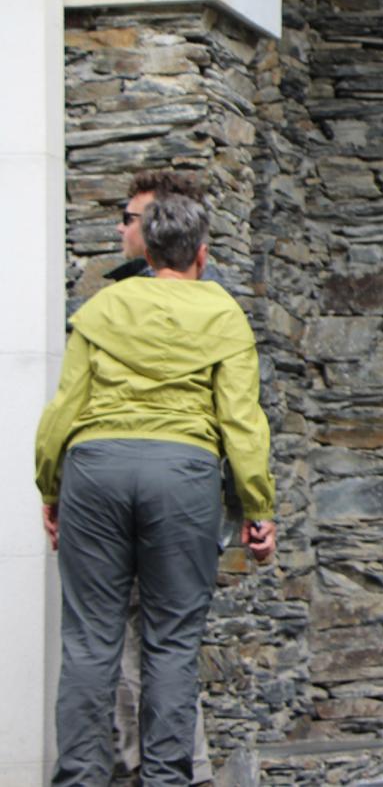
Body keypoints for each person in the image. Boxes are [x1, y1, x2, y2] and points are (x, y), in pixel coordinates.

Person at [36, 194, 277, 786]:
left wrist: (51, 486)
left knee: (91, 640)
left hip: (95, 469)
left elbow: (64, 409)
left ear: (144, 249)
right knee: (171, 642)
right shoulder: (222, 314)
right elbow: (242, 422)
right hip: (182, 473)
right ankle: (169, 780)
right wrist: (257, 506)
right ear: (202, 252)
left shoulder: (104, 306)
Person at [104, 170, 224, 785]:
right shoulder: (117, 295)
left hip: (160, 488)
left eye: (133, 218)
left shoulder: (198, 301)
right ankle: (164, 767)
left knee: (155, 633)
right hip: (165, 488)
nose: (127, 228)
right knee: (151, 634)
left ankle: (171, 768)